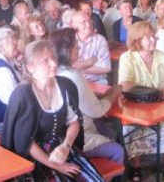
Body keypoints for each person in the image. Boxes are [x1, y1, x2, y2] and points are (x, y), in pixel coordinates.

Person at [1, 41, 105, 182]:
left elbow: (74, 121)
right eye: (46, 61)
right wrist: (57, 166)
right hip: (35, 158)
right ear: (31, 67)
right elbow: (26, 142)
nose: (53, 64)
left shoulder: (64, 85)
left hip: (62, 148)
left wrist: (66, 146)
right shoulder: (23, 94)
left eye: (53, 58)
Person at [118, 21, 164, 182]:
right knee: (130, 128)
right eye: (148, 38)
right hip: (137, 108)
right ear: (137, 40)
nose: (154, 39)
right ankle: (136, 168)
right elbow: (125, 85)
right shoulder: (127, 58)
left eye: (153, 36)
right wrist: (158, 91)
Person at [49, 29, 124, 164]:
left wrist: (103, 95)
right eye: (75, 45)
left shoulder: (56, 71)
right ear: (66, 51)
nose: (79, 47)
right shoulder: (73, 76)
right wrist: (115, 93)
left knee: (107, 130)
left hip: (59, 133)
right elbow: (97, 111)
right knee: (118, 150)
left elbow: (80, 99)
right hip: (74, 136)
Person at [72, 11, 111, 84]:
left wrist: (79, 68)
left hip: (97, 81)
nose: (88, 24)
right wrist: (90, 62)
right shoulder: (70, 40)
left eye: (89, 21)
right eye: (83, 22)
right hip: (76, 81)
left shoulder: (100, 40)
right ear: (75, 25)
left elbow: (106, 68)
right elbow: (67, 66)